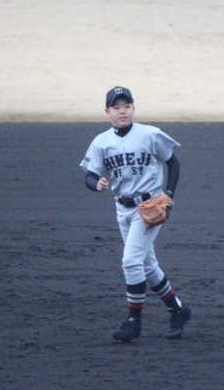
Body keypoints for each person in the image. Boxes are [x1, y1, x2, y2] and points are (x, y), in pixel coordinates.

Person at [79, 86, 191, 342]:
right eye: (116, 107)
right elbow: (90, 175)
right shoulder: (101, 142)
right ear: (107, 111)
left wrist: (169, 194)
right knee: (148, 267)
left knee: (131, 261)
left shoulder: (149, 134)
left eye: (127, 106)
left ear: (133, 108)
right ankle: (179, 310)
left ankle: (133, 321)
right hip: (122, 209)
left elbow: (173, 162)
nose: (122, 111)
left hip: (150, 206)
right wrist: (96, 184)